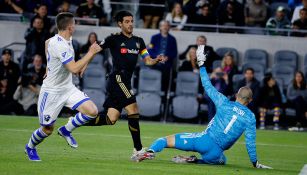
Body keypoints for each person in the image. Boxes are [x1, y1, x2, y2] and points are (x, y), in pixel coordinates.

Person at [133, 45, 272, 170]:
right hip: (216, 152)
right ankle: (196, 161)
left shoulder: (224, 102)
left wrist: (202, 64)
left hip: (202, 141)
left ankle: (149, 152)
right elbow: (250, 143)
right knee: (223, 160)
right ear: (251, 100)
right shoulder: (250, 117)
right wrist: (255, 163)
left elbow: (207, 85)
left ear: (237, 95)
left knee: (163, 140)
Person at [84, 11, 167, 159]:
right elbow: (94, 49)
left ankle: (78, 120)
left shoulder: (139, 41)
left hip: (125, 80)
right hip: (117, 78)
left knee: (111, 118)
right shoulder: (113, 39)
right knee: (133, 109)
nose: (130, 24)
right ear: (120, 24)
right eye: (127, 21)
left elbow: (147, 60)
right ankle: (138, 149)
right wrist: (83, 65)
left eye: (131, 21)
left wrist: (156, 59)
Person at [24, 12, 103, 161]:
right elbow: (73, 69)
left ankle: (66, 130)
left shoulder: (64, 39)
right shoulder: (59, 45)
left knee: (92, 111)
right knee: (47, 130)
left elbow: (47, 42)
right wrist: (91, 52)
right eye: (74, 23)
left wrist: (48, 67)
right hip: (51, 92)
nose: (75, 26)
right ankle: (30, 147)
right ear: (70, 27)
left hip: (67, 88)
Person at [148, 20, 177, 92]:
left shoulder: (172, 39)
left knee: (166, 76)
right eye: (163, 25)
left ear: (169, 27)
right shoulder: (154, 37)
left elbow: (174, 52)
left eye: (167, 25)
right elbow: (150, 50)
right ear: (160, 27)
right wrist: (157, 56)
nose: (165, 27)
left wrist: (168, 57)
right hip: (155, 61)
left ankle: (163, 93)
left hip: (166, 63)